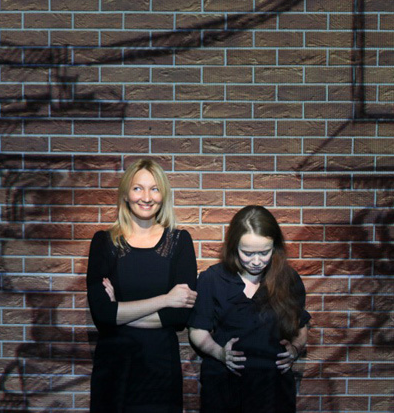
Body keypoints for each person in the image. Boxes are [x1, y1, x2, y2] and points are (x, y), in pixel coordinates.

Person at [86, 158, 198, 412]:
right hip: (114, 369)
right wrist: (165, 300)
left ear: (163, 195)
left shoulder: (180, 241)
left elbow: (178, 317)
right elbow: (102, 315)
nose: (146, 197)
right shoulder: (104, 242)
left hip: (160, 367)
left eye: (154, 189)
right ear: (126, 195)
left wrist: (119, 310)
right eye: (138, 188)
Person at [188, 205, 311, 413]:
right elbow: (197, 330)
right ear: (234, 247)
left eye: (264, 252)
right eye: (247, 253)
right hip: (225, 387)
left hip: (273, 391)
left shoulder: (288, 279)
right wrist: (219, 353)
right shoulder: (212, 279)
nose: (256, 261)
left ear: (275, 247)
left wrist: (296, 348)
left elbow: (301, 325)